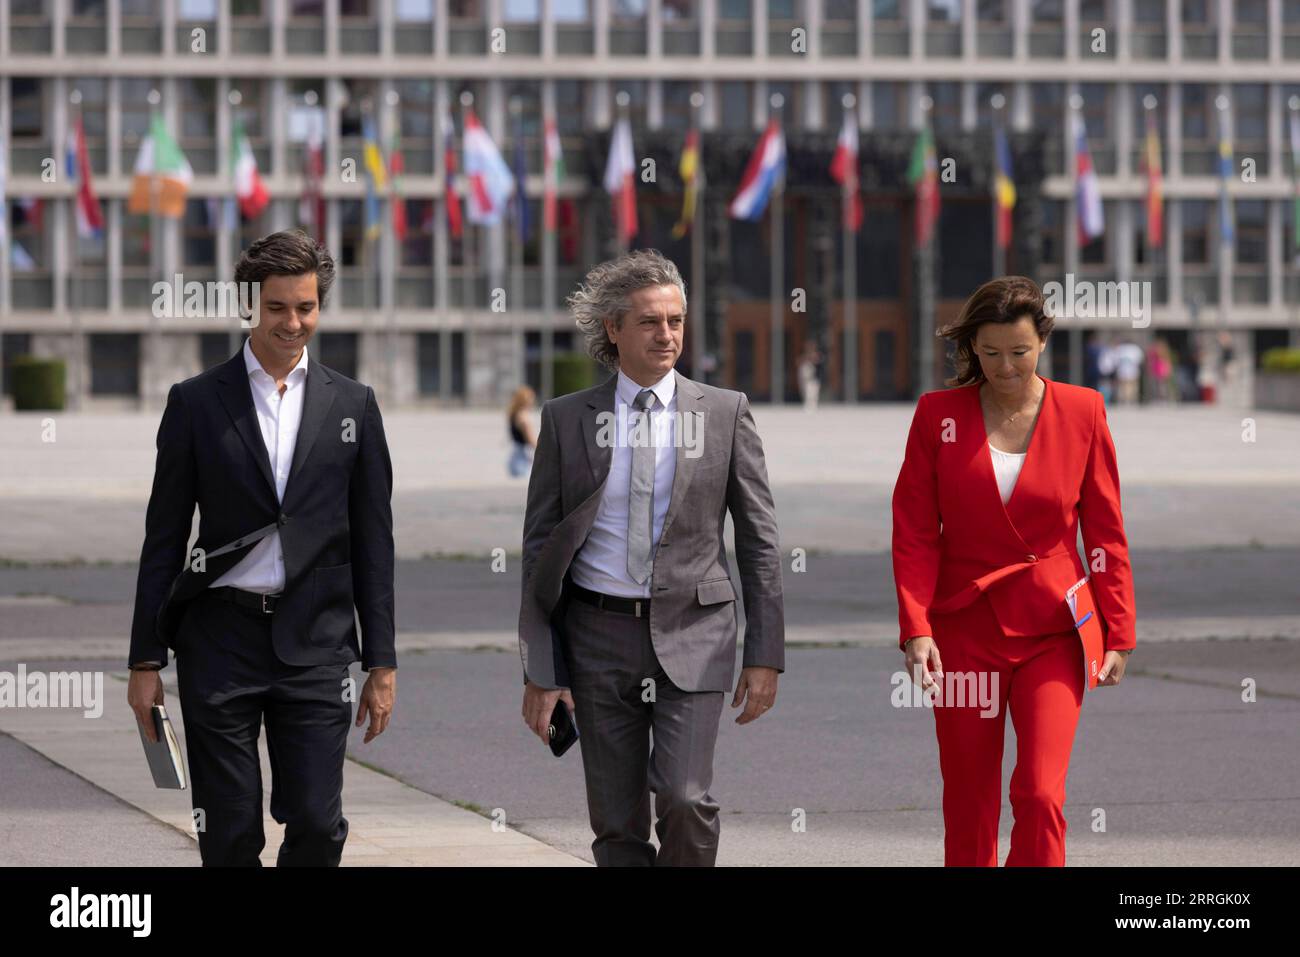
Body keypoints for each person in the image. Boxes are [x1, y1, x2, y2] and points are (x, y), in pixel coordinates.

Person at [126, 229, 397, 866]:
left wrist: (381, 662)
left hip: (318, 645)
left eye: (306, 307)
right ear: (251, 304)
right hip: (219, 642)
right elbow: (163, 537)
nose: (293, 322)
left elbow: (375, 543)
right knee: (228, 829)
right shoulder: (194, 402)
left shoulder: (353, 404)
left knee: (316, 820)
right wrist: (144, 660)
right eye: (277, 308)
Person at [517, 249, 785, 866]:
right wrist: (540, 668)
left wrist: (765, 654)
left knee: (687, 799)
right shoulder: (565, 420)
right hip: (596, 637)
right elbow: (540, 551)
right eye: (649, 322)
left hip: (695, 632)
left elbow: (760, 541)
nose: (667, 335)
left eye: (675, 321)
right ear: (613, 330)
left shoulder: (723, 413)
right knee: (616, 823)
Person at [891, 275, 1136, 867]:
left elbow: (1104, 531)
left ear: (1042, 343)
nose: (1005, 366)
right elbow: (916, 532)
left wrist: (1120, 631)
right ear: (972, 347)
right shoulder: (937, 415)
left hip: (1054, 629)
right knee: (970, 799)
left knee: (1041, 792)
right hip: (963, 631)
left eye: (1019, 352)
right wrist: (917, 627)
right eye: (992, 352)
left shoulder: (1083, 411)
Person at [506, 386, 537, 477]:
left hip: (515, 454)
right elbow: (531, 440)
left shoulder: (513, 413)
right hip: (523, 456)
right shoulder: (523, 417)